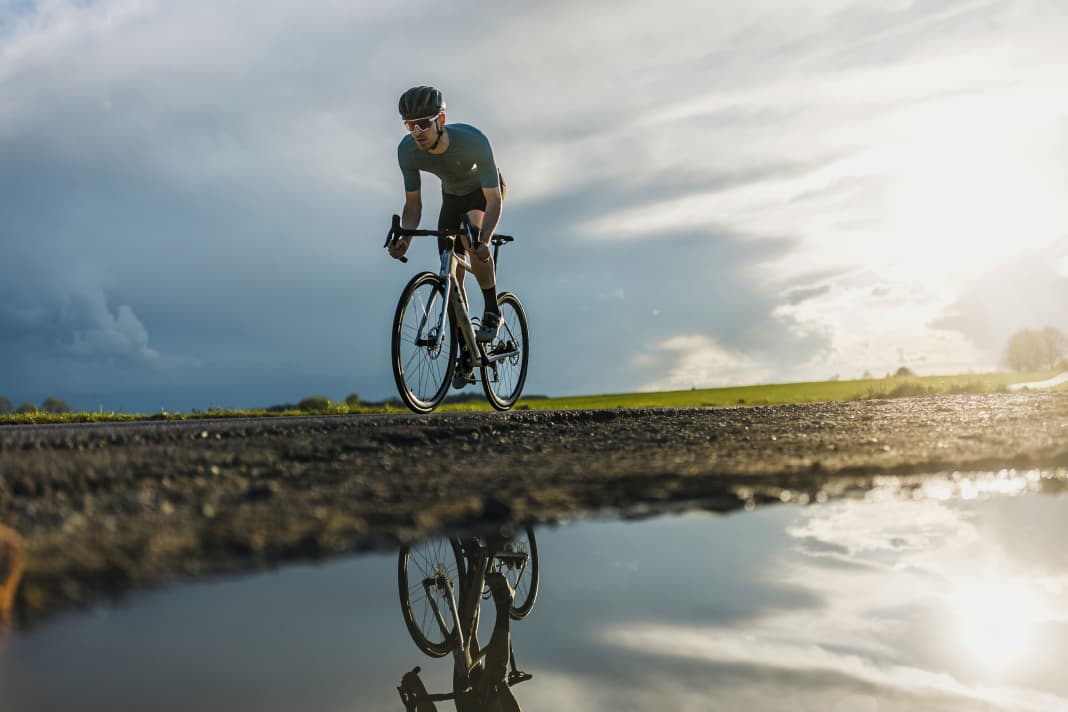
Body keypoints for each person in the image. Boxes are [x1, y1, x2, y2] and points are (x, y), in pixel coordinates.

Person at [387, 85, 506, 389]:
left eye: (423, 124)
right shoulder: (407, 152)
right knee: (450, 275)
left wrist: (484, 239)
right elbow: (413, 205)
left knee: (472, 239)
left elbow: (494, 200)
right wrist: (405, 241)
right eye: (410, 126)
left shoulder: (472, 141)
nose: (417, 132)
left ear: (441, 119)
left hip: (483, 193)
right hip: (451, 198)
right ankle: (466, 349)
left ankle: (492, 311)